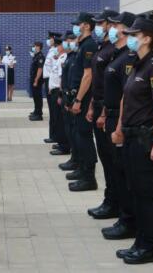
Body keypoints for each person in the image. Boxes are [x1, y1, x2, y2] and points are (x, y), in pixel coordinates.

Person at [112, 17, 153, 264]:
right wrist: (120, 128)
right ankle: (140, 240)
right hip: (131, 136)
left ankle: (150, 246)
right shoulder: (138, 63)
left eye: (135, 34)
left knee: (147, 194)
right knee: (135, 190)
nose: (131, 37)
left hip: (145, 138)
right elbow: (128, 100)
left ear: (147, 38)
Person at [99, 11, 137, 240]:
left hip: (121, 119)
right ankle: (122, 214)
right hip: (111, 115)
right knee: (114, 169)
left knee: (123, 173)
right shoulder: (118, 54)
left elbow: (125, 95)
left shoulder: (129, 58)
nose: (111, 28)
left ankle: (128, 220)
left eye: (116, 24)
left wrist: (120, 126)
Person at [86, 9, 120, 219]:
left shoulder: (112, 50)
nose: (98, 26)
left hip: (107, 109)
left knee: (111, 159)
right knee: (106, 158)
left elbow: (113, 88)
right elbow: (99, 83)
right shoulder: (103, 48)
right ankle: (110, 199)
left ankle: (114, 202)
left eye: (102, 23)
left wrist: (104, 113)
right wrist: (92, 106)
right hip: (98, 104)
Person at [67, 12, 98, 192]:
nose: (76, 27)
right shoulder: (82, 44)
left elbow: (88, 75)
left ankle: (89, 177)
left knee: (84, 135)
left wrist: (78, 100)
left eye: (78, 24)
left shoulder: (89, 45)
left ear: (86, 25)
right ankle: (82, 170)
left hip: (84, 98)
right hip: (78, 96)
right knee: (79, 134)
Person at [58, 31, 79, 170]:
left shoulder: (75, 57)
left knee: (75, 131)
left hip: (72, 99)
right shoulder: (69, 57)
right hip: (66, 97)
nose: (65, 43)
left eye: (68, 40)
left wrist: (72, 100)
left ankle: (77, 159)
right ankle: (74, 158)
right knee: (69, 129)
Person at [48, 36, 70, 156]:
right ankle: (61, 142)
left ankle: (64, 146)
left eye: (58, 46)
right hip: (55, 90)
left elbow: (62, 78)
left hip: (58, 91)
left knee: (60, 120)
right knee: (57, 118)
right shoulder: (60, 58)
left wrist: (60, 94)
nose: (56, 48)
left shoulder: (63, 58)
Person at [43, 32, 63, 142]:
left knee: (55, 113)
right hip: (50, 83)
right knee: (52, 112)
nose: (48, 40)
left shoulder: (56, 53)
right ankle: (53, 135)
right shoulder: (52, 51)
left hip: (54, 85)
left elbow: (54, 72)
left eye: (50, 39)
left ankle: (55, 136)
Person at [30, 42, 45, 121]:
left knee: (38, 97)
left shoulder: (40, 56)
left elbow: (40, 69)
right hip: (34, 79)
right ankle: (36, 111)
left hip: (37, 80)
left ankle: (39, 114)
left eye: (35, 46)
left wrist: (36, 80)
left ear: (39, 47)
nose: (34, 47)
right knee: (35, 97)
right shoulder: (36, 56)